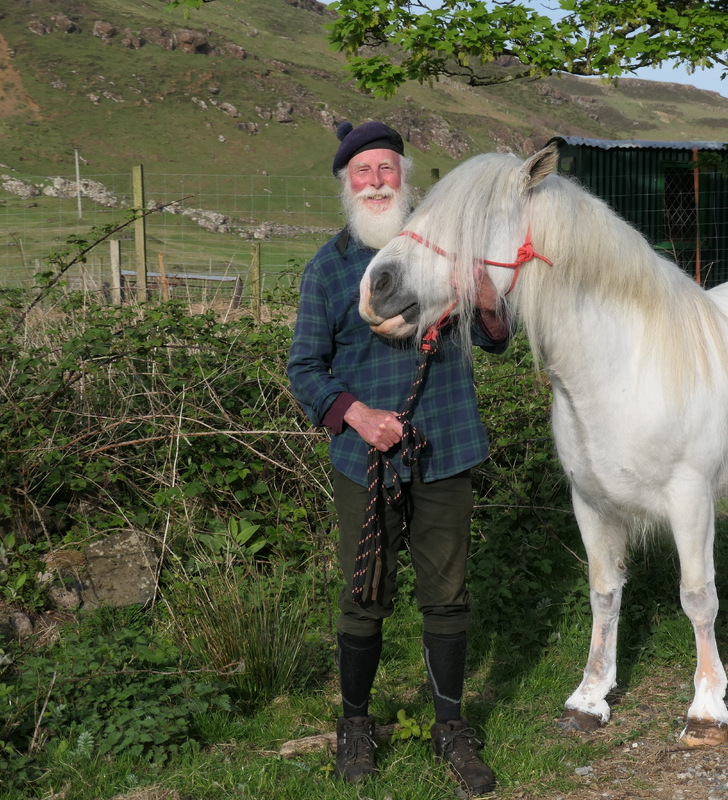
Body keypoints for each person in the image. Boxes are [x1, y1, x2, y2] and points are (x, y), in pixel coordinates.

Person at [287, 120, 511, 795]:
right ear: (346, 184)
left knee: (447, 596)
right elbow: (304, 368)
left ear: (405, 178)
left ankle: (450, 727)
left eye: (387, 169)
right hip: (365, 461)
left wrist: (487, 296)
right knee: (363, 597)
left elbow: (498, 339)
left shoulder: (444, 251)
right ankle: (354, 724)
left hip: (445, 446)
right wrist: (355, 414)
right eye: (364, 171)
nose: (377, 181)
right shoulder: (327, 269)